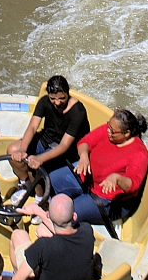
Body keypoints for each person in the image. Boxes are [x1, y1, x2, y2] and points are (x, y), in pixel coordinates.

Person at [6, 75, 89, 204]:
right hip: (45, 140)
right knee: (12, 150)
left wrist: (40, 159)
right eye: (53, 99)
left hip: (64, 151)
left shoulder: (78, 111)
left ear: (68, 94)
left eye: (62, 98)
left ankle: (41, 200)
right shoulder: (44, 101)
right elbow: (33, 126)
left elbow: (64, 145)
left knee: (33, 166)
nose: (57, 103)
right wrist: (22, 150)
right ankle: (27, 184)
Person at [9, 195, 95, 280]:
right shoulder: (87, 231)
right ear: (74, 216)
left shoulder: (43, 246)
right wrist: (38, 211)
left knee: (18, 235)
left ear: (48, 214)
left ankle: (18, 272)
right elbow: (63, 230)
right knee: (42, 230)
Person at [73, 109, 148, 224]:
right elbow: (85, 142)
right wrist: (84, 156)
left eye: (112, 130)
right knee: (51, 181)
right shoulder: (109, 130)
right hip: (86, 177)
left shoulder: (138, 153)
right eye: (108, 126)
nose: (108, 131)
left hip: (107, 199)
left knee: (68, 213)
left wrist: (117, 178)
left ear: (127, 133)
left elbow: (133, 184)